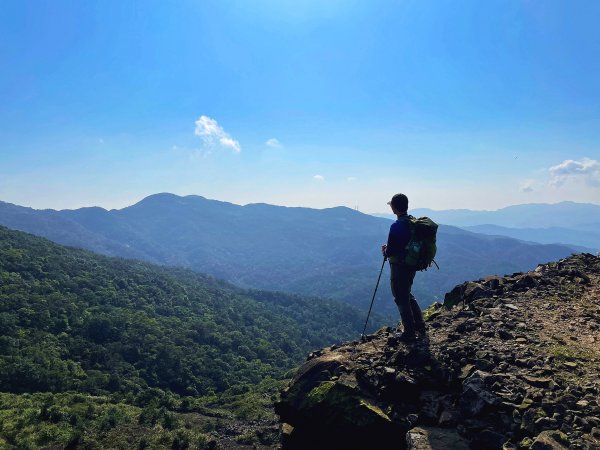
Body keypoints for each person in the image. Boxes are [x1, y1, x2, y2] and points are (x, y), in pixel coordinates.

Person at [381, 193, 426, 342]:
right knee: (407, 294)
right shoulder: (412, 222)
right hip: (411, 264)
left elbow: (391, 250)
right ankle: (419, 325)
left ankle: (409, 331)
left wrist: (385, 250)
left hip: (399, 266)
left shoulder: (397, 225)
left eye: (391, 205)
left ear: (394, 207)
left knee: (400, 296)